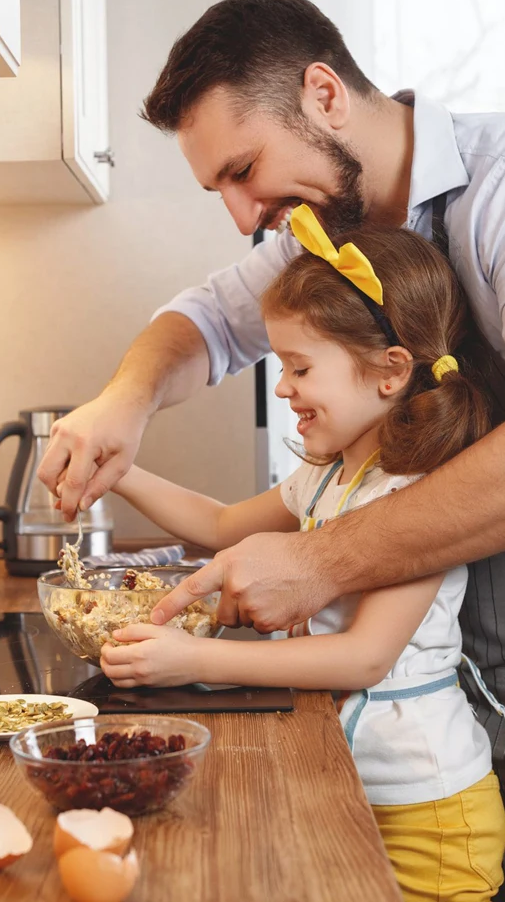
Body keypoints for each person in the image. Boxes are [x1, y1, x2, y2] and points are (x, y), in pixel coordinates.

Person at [36, 0, 505, 789]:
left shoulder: (492, 198)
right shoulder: (325, 228)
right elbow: (206, 321)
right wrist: (126, 399)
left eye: (243, 171)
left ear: (323, 95)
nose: (243, 217)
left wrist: (322, 559)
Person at [99, 206, 504, 901]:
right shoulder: (326, 473)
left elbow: (362, 657)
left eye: (298, 366)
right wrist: (121, 467)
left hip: (429, 817)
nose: (282, 385)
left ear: (388, 371)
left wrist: (193, 660)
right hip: (355, 787)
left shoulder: (418, 493)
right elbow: (222, 523)